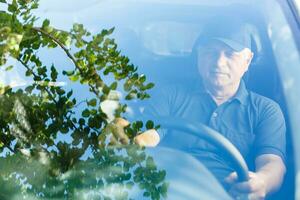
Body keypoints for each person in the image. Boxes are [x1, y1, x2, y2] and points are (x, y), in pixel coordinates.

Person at [100, 18, 286, 200]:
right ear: (199, 56)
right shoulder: (171, 95)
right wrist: (130, 137)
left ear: (247, 61)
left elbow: (273, 163)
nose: (219, 62)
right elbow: (150, 134)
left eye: (230, 54)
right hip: (162, 190)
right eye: (211, 52)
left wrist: (263, 181)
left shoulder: (265, 110)